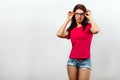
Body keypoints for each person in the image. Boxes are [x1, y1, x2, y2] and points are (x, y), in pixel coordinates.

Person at [56, 4, 99, 80]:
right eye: (77, 14)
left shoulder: (89, 27)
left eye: (82, 14)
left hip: (85, 62)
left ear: (85, 15)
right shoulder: (71, 29)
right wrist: (68, 19)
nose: (79, 16)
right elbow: (59, 34)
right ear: (74, 14)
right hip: (72, 61)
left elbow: (96, 30)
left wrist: (90, 17)